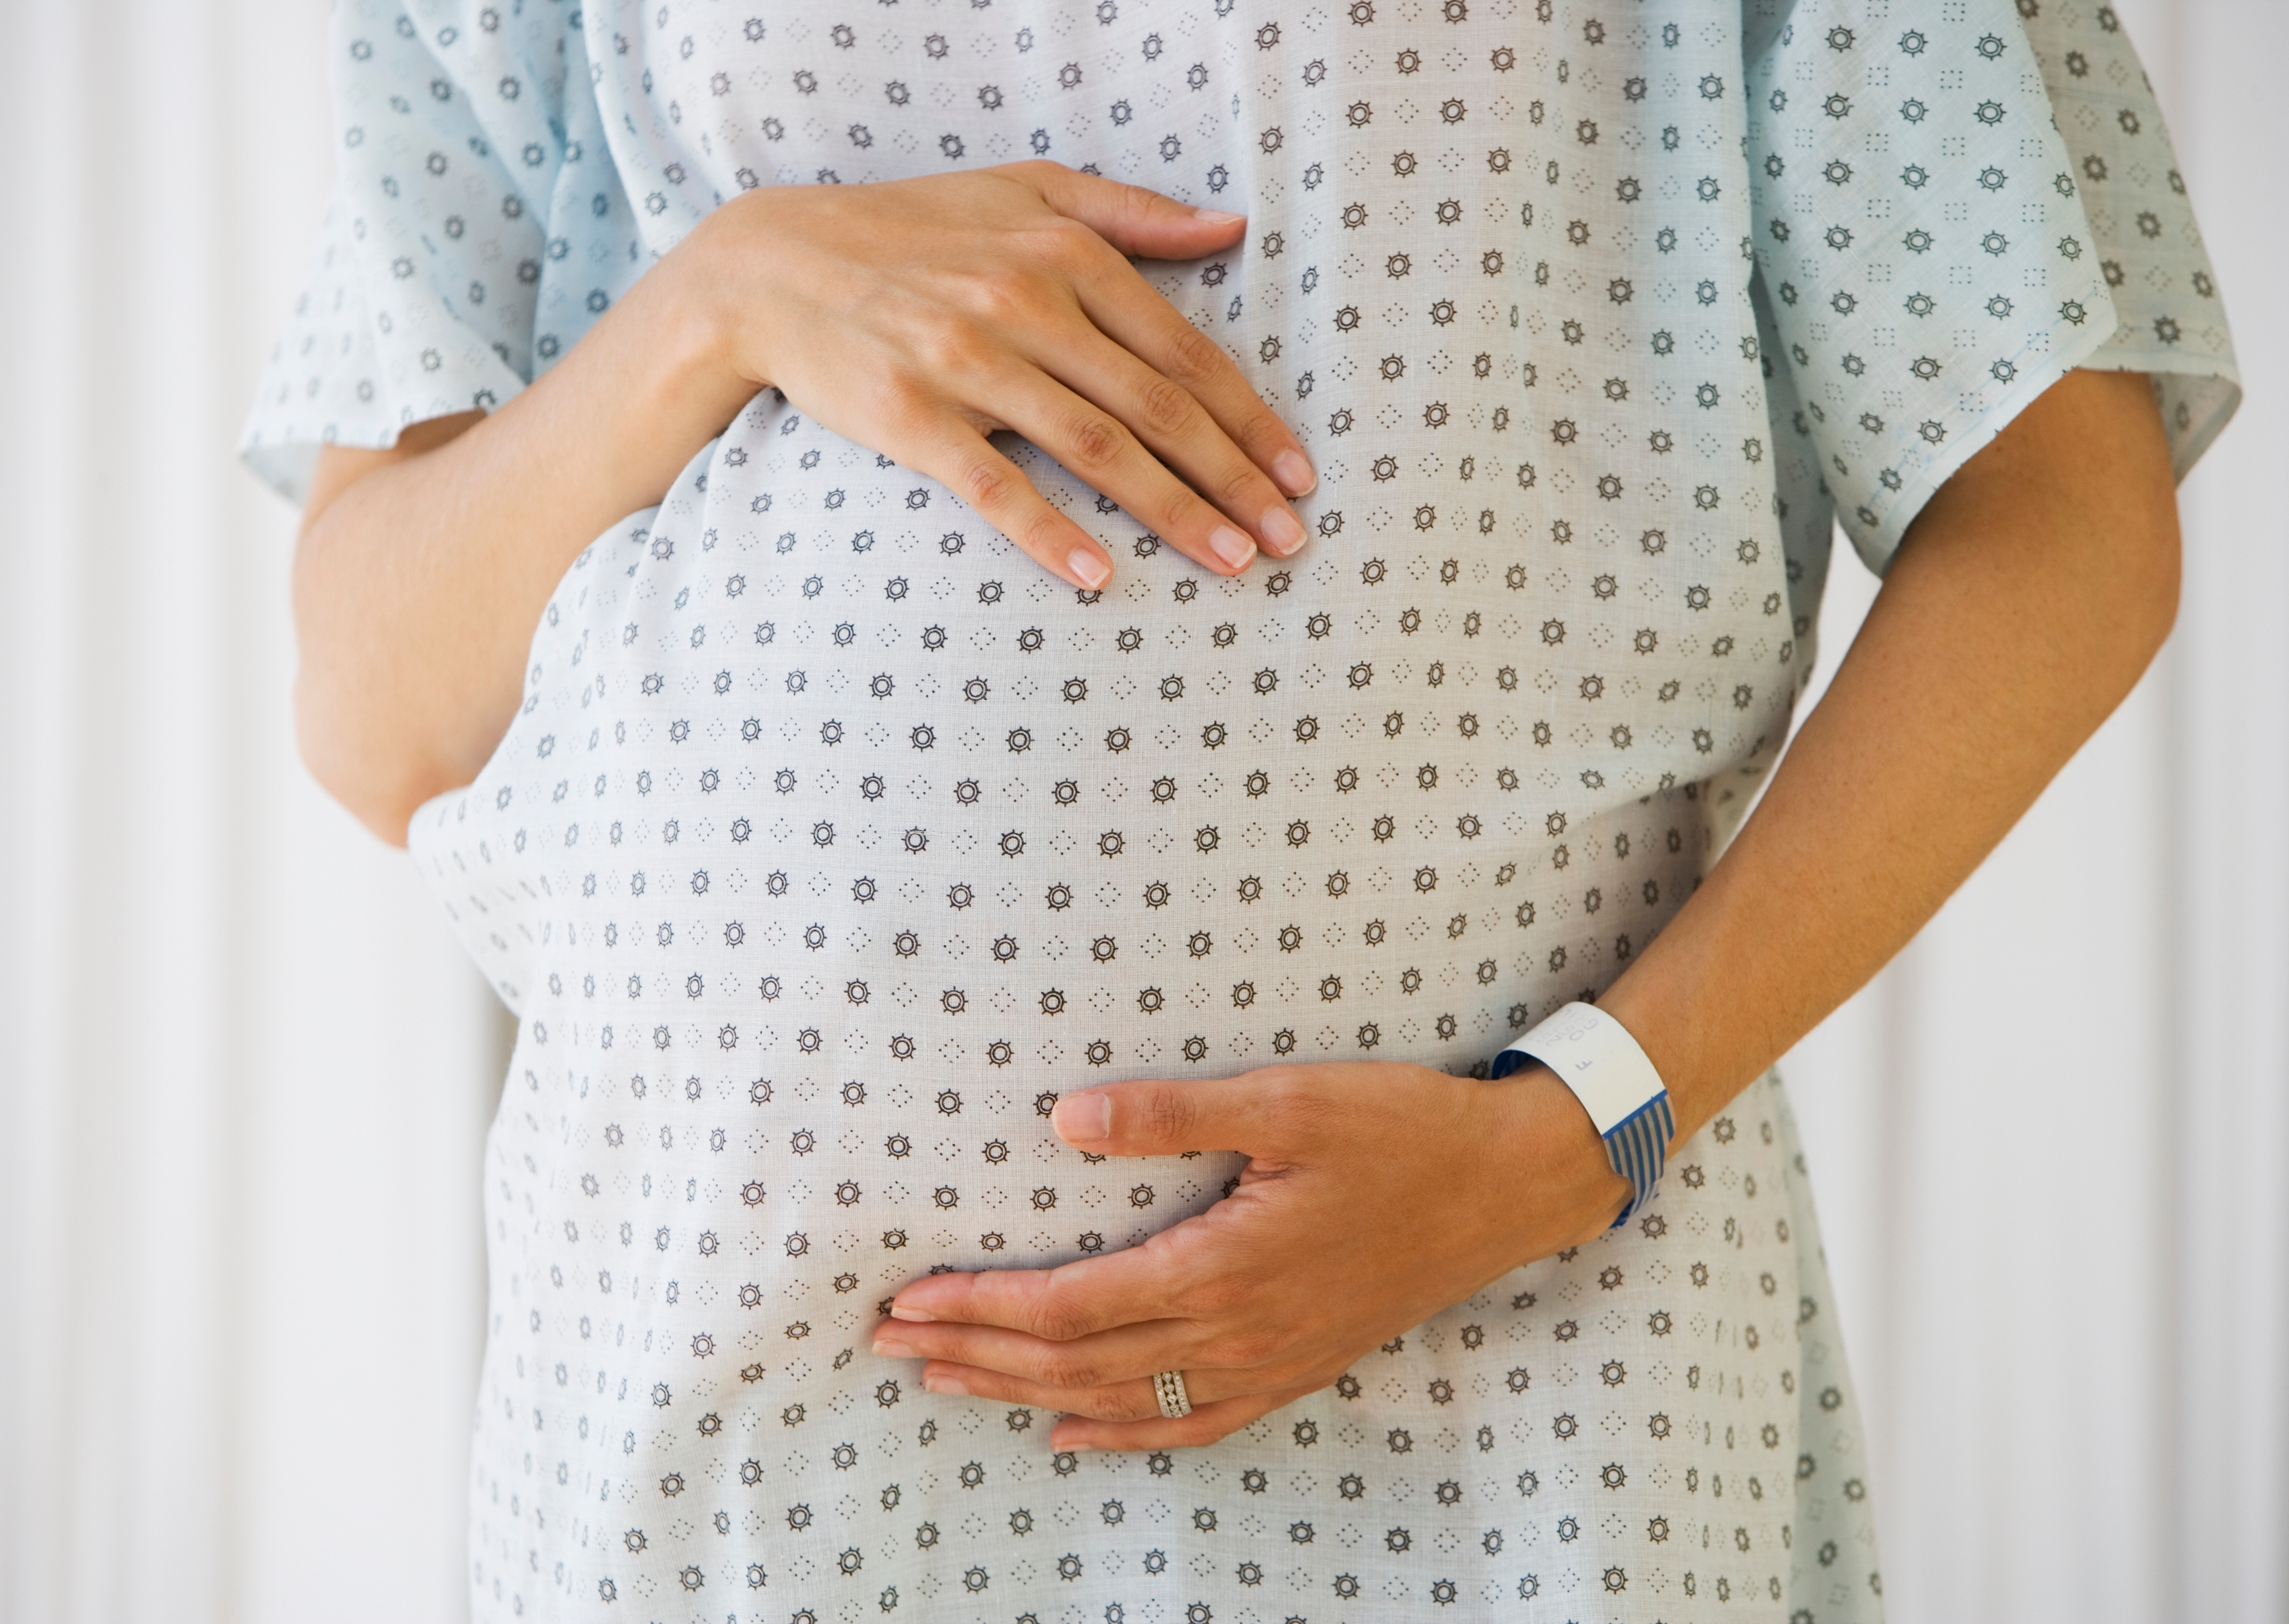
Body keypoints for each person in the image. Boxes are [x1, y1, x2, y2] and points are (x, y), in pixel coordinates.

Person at [242, 0, 2236, 1618]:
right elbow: (373, 703)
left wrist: (1568, 1133)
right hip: (725, 1407)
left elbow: (2058, 524)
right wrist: (718, 300)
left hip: (1512, 1384)